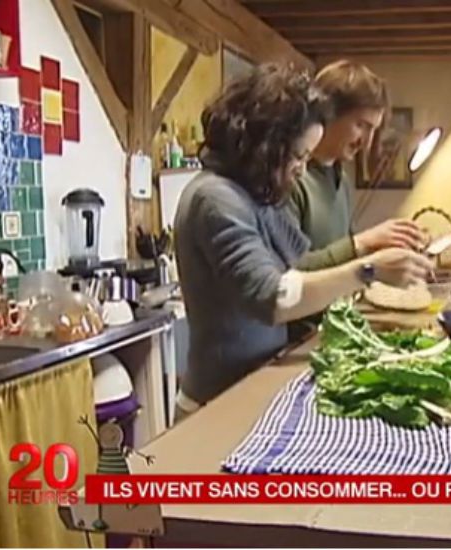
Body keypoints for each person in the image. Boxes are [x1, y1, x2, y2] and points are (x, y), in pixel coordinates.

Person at [172, 64, 433, 422]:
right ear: (266, 145)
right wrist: (369, 269)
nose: (301, 169)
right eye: (298, 156)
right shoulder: (215, 198)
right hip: (214, 405)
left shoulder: (254, 195)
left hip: (249, 389)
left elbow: (297, 262)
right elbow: (274, 296)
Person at [287, 59, 425, 272]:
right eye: (361, 125)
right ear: (328, 113)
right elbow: (289, 271)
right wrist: (362, 242)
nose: (366, 141)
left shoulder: (341, 179)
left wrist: (388, 248)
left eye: (373, 130)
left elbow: (344, 262)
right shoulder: (290, 178)